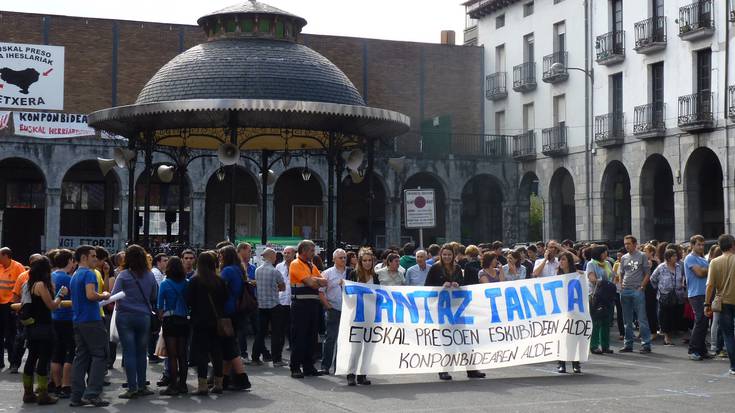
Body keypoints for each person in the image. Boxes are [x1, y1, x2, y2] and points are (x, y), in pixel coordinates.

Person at [425, 244, 484, 380]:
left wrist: (458, 285)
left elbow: (463, 285)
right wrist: (441, 286)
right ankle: (444, 370)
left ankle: (471, 369)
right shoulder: (435, 268)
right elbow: (427, 288)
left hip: (457, 309)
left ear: (453, 255)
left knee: (464, 339)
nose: (447, 257)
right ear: (441, 254)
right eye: (444, 254)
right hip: (443, 310)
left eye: (449, 255)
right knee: (447, 340)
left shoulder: (457, 268)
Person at [111, 244, 157, 399]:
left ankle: (132, 388)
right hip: (143, 316)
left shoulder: (123, 275)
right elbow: (153, 296)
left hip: (124, 316)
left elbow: (114, 295)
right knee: (141, 352)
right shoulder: (150, 275)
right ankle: (142, 385)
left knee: (129, 352)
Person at [21, 256, 68, 405]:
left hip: (31, 327)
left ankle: (28, 393)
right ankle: (43, 394)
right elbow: (52, 306)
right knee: (43, 359)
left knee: (31, 358)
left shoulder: (28, 284)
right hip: (45, 326)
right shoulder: (41, 285)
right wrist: (61, 295)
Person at [69, 245, 110, 407]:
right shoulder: (89, 274)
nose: (96, 259)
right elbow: (91, 295)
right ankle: (92, 394)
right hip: (92, 319)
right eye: (93, 256)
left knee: (81, 356)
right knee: (100, 355)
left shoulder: (75, 275)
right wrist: (104, 295)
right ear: (85, 257)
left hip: (78, 320)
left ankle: (76, 395)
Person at [187, 252, 227, 395]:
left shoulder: (195, 280)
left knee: (201, 354)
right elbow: (224, 300)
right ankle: (218, 384)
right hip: (217, 321)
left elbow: (189, 301)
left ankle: (202, 385)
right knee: (217, 352)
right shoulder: (219, 280)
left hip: (200, 321)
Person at [289, 240, 328, 379]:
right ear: (304, 251)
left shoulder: (311, 265)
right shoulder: (296, 264)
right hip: (300, 305)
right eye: (312, 250)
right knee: (299, 336)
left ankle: (308, 366)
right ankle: (295, 367)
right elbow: (312, 283)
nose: (314, 252)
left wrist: (315, 280)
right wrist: (316, 281)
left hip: (312, 305)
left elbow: (324, 281)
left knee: (311, 337)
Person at [218, 245, 250, 389]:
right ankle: (224, 379)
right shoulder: (239, 269)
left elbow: (219, 288)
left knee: (230, 347)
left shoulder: (227, 271)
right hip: (238, 311)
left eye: (221, 255)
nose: (219, 257)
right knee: (228, 346)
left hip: (227, 311)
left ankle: (242, 378)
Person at [157, 257, 189, 395]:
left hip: (170, 320)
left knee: (172, 355)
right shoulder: (187, 283)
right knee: (183, 355)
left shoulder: (165, 283)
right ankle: (183, 385)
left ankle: (173, 386)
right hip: (184, 320)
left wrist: (161, 318)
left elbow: (159, 305)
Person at [704, 234, 735, 376]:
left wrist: (706, 303)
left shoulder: (715, 262)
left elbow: (710, 285)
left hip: (723, 301)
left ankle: (734, 366)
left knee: (728, 334)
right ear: (732, 245)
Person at [344, 247, 376, 386]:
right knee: (356, 348)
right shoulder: (353, 274)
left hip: (372, 317)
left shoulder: (376, 276)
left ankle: (363, 374)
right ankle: (351, 374)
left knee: (368, 348)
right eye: (365, 260)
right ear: (360, 261)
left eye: (370, 260)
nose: (367, 263)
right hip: (356, 316)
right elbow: (348, 294)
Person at [618, 235, 652, 354]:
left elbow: (648, 273)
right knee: (627, 320)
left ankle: (646, 344)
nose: (626, 246)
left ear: (635, 244)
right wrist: (621, 285)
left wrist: (642, 286)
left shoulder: (642, 256)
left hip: (637, 290)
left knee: (642, 318)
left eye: (629, 243)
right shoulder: (623, 258)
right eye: (625, 243)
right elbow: (621, 272)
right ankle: (628, 344)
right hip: (625, 290)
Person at [253, 248, 285, 368]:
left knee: (260, 333)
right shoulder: (275, 271)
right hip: (274, 305)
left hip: (261, 305)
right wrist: (276, 288)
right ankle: (276, 359)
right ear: (272, 257)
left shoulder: (257, 270)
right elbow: (283, 287)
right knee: (277, 333)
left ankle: (255, 357)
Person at [50, 250, 76, 399]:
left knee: (56, 352)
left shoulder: (51, 276)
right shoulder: (68, 279)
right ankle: (67, 385)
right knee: (70, 352)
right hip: (68, 318)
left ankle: (56, 384)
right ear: (69, 261)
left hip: (54, 317)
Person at [319, 249, 347, 375]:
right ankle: (325, 365)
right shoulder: (327, 273)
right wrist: (327, 305)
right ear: (334, 259)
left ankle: (339, 366)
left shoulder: (350, 272)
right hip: (334, 309)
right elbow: (321, 291)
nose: (343, 260)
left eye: (344, 257)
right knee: (330, 338)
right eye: (340, 258)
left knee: (343, 340)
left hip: (348, 310)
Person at [650, 249, 686, 346]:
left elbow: (683, 277)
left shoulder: (679, 267)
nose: (676, 258)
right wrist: (659, 288)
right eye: (673, 256)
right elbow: (653, 279)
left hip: (678, 295)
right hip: (665, 295)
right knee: (665, 316)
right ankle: (667, 337)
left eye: (675, 256)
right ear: (668, 258)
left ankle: (674, 332)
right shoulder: (661, 267)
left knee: (675, 315)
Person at [684, 235, 710, 360]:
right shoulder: (690, 258)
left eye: (702, 244)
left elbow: (706, 271)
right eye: (698, 244)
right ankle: (693, 350)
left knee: (704, 323)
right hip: (696, 294)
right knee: (700, 321)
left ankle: (702, 349)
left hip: (705, 293)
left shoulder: (703, 259)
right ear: (692, 245)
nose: (701, 247)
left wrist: (706, 269)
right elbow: (699, 273)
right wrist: (708, 269)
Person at [586, 246, 615, 355]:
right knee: (596, 321)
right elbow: (592, 278)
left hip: (607, 295)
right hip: (596, 295)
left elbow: (612, 275)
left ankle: (605, 345)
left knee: (606, 322)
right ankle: (594, 345)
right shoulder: (591, 264)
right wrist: (601, 282)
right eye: (603, 253)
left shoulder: (607, 263)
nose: (605, 254)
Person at [557, 251, 583, 374]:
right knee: (562, 337)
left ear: (569, 262)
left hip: (574, 310)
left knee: (574, 337)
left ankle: (575, 363)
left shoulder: (577, 274)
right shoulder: (556, 275)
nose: (561, 262)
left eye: (563, 260)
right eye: (560, 260)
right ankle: (561, 362)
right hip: (561, 311)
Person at [0, 247, 24, 370]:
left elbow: (21, 285)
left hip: (10, 304)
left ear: (6, 256)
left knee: (10, 334)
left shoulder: (18, 267)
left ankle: (12, 361)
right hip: (0, 303)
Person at [273, 246, 295, 367]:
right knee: (280, 331)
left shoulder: (297, 266)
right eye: (285, 253)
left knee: (293, 330)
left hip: (293, 301)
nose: (286, 255)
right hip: (281, 301)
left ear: (294, 254)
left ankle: (294, 356)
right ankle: (277, 357)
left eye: (289, 253)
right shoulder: (279, 266)